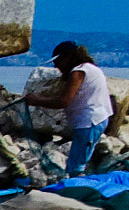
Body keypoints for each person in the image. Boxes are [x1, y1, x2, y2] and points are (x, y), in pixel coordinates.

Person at [25, 41, 113, 175]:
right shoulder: (90, 68)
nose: (56, 66)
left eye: (58, 61)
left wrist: (36, 100)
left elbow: (64, 101)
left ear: (68, 58)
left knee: (76, 164)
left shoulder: (78, 72)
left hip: (89, 121)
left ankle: (75, 190)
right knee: (79, 159)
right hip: (97, 119)